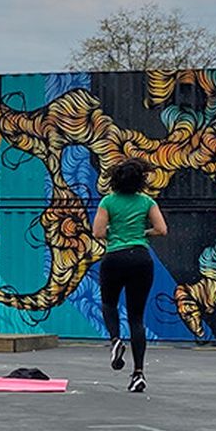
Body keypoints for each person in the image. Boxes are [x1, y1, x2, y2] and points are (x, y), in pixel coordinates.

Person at [91, 158, 168, 394]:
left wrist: (116, 232)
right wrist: (141, 232)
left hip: (115, 257)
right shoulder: (146, 202)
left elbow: (98, 232)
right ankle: (138, 374)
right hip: (140, 259)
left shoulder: (108, 202)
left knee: (108, 304)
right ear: (140, 180)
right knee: (136, 318)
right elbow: (162, 230)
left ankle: (115, 340)